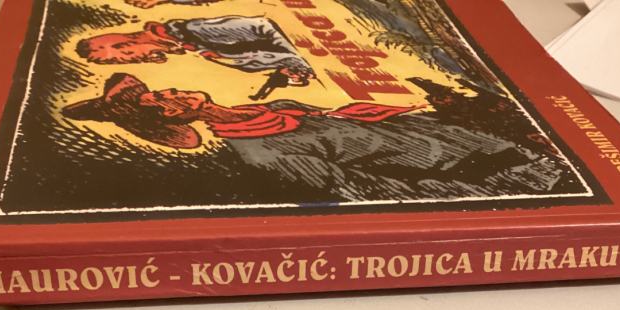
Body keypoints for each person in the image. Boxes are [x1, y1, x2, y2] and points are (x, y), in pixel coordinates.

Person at [61, 73, 573, 201]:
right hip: (504, 177)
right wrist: (506, 184)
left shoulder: (272, 107)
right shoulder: (260, 154)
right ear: (170, 116)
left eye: (163, 88)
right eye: (161, 99)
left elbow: (365, 123)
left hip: (491, 146)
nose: (171, 90)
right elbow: (373, 191)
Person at [75, 16, 314, 87]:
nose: (140, 60)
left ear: (124, 45)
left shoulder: (191, 30)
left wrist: (295, 60)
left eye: (128, 57)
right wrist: (289, 68)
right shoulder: (191, 46)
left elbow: (263, 28)